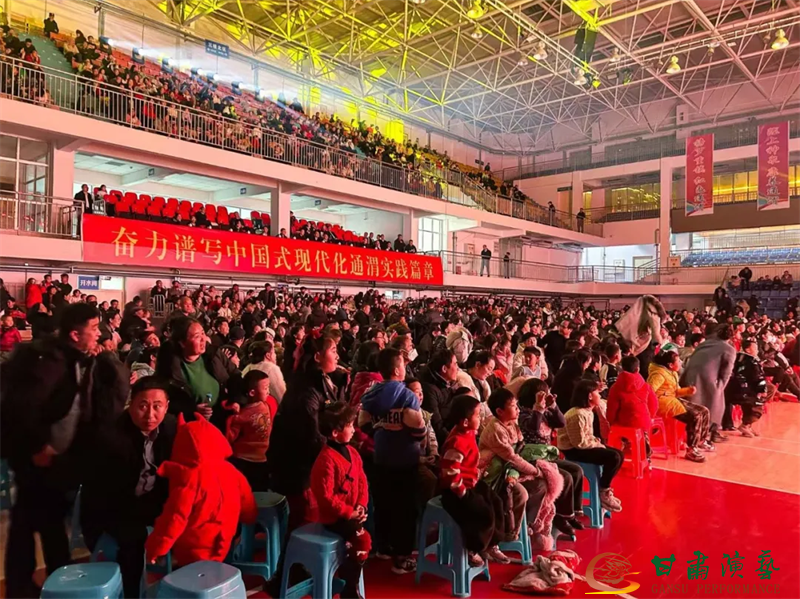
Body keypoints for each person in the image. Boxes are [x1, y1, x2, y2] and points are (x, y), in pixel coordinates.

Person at [0, 303, 129, 598]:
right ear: (74, 334)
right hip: (35, 456)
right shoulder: (48, 361)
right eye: (93, 329)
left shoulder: (76, 357)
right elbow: (22, 409)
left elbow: (108, 396)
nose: (99, 334)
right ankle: (29, 584)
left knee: (46, 519)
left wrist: (104, 357)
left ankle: (52, 578)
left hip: (57, 457)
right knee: (30, 522)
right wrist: (38, 447)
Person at [80, 376, 177, 599]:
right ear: (130, 405)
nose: (150, 415)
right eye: (143, 406)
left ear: (166, 407)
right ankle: (132, 594)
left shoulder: (171, 427)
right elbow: (99, 491)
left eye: (157, 406)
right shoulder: (109, 436)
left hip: (153, 499)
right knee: (133, 540)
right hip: (115, 505)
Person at [144, 415, 258, 565]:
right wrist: (249, 518)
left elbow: (174, 519)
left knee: (192, 575)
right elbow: (247, 503)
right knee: (214, 571)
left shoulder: (189, 478)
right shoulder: (232, 471)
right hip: (225, 539)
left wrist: (156, 549)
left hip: (194, 549)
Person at [359, 348, 425, 574]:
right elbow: (418, 430)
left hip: (381, 457)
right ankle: (402, 557)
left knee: (383, 504)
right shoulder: (407, 396)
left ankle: (383, 547)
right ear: (397, 370)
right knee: (405, 510)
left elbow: (363, 424)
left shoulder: (371, 393)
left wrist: (381, 430)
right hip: (405, 460)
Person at [480, 388, 555, 553]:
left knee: (542, 485)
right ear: (500, 411)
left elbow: (521, 448)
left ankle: (528, 523)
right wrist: (535, 470)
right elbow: (512, 457)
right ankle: (510, 532)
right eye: (514, 406)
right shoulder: (496, 430)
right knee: (521, 494)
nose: (518, 409)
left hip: (511, 469)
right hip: (495, 475)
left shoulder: (512, 423)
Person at [310, 403, 371, 599]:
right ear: (335, 433)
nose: (353, 429)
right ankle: (349, 589)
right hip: (334, 518)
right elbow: (325, 497)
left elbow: (362, 481)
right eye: (350, 425)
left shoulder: (353, 453)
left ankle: (349, 584)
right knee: (362, 539)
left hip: (352, 513)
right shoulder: (325, 460)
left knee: (361, 537)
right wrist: (349, 512)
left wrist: (361, 505)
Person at [439, 394, 507, 567]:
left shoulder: (469, 432)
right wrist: (463, 493)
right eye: (477, 415)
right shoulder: (456, 442)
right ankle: (473, 548)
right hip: (455, 491)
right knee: (482, 512)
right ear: (465, 422)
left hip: (471, 483)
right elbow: (450, 472)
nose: (481, 418)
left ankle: (492, 543)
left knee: (497, 502)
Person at [516, 378, 584, 535]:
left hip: (548, 456)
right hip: (534, 458)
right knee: (565, 477)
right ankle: (561, 516)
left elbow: (561, 423)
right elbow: (533, 427)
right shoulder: (523, 413)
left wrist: (553, 406)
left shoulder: (546, 410)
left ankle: (571, 513)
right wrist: (538, 409)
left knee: (576, 471)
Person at [557, 379, 624, 514]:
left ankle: (604, 488)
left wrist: (595, 441)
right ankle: (603, 491)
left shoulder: (588, 411)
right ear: (589, 396)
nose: (600, 395)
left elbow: (587, 435)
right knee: (613, 457)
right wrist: (597, 444)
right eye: (597, 393)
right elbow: (579, 443)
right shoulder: (577, 414)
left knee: (619, 455)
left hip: (585, 445)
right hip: (573, 450)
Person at [648, 350, 710, 462]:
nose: (681, 362)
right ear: (670, 365)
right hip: (664, 404)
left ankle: (700, 441)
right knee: (695, 415)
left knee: (704, 411)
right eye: (678, 361)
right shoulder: (658, 375)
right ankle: (691, 449)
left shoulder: (672, 373)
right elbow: (649, 392)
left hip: (672, 400)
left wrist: (688, 391)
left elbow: (675, 391)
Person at [679, 324, 737, 443]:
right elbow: (726, 372)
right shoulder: (729, 349)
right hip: (709, 378)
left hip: (691, 376)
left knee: (698, 404)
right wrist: (720, 386)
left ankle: (705, 434)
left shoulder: (704, 343)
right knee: (715, 405)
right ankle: (707, 435)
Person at [606, 356, 658, 460]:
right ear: (638, 369)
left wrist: (611, 421)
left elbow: (612, 409)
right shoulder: (645, 385)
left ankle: (627, 442)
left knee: (620, 427)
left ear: (622, 368)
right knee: (641, 426)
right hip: (643, 421)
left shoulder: (616, 387)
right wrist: (650, 416)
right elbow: (654, 404)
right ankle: (642, 442)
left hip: (625, 422)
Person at [722, 339, 766, 438]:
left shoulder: (738, 358)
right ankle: (745, 425)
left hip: (737, 389)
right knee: (758, 406)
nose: (757, 350)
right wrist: (761, 390)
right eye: (755, 348)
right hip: (742, 391)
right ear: (747, 350)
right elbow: (757, 377)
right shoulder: (750, 361)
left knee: (749, 405)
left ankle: (747, 426)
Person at [614, 295, 666, 376]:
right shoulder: (623, 333)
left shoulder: (648, 333)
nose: (655, 316)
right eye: (653, 313)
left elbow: (657, 342)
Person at [419, 349, 459, 444]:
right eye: (455, 364)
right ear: (444, 369)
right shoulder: (429, 390)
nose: (458, 368)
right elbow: (436, 425)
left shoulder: (445, 383)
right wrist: (454, 442)